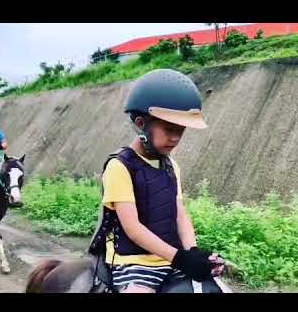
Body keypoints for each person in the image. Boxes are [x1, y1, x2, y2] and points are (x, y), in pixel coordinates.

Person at [89, 69, 224, 293]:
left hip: (171, 258)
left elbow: (179, 213)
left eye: (181, 131)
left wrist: (192, 252)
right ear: (141, 124)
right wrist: (180, 258)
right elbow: (133, 229)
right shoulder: (119, 167)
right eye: (169, 129)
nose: (176, 138)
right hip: (134, 263)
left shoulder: (171, 166)